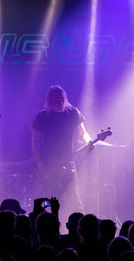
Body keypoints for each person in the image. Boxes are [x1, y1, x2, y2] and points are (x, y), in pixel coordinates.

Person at [32, 85, 93, 221]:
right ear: (49, 101)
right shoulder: (42, 116)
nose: (60, 102)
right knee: (50, 200)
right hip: (48, 164)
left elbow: (83, 134)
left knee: (74, 197)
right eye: (56, 100)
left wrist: (89, 141)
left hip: (68, 162)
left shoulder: (73, 113)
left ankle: (80, 228)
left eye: (62, 99)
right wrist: (40, 163)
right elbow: (35, 141)